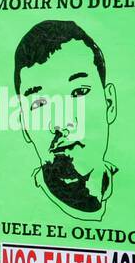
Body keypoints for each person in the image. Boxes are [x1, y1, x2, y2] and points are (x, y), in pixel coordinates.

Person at [13, 20, 118, 220]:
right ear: (24, 124)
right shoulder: (15, 207)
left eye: (79, 92)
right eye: (39, 104)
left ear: (109, 103)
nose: (60, 123)